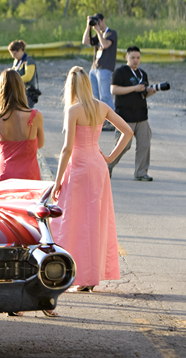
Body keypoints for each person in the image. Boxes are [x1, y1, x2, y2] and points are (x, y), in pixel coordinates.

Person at [50, 66, 133, 298]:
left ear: (71, 87)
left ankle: (74, 273)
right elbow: (127, 132)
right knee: (95, 221)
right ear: (88, 84)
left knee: (73, 221)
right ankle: (90, 276)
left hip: (79, 168)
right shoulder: (101, 106)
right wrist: (110, 158)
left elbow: (67, 149)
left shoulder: (73, 110)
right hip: (97, 166)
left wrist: (57, 180)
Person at [0, 69, 45, 183]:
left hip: (3, 175)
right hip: (28, 176)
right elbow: (40, 144)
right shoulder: (35, 116)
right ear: (21, 88)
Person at [109, 46, 157, 181]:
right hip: (124, 116)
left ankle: (141, 172)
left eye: (138, 58)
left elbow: (142, 94)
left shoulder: (142, 74)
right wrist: (134, 88)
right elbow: (114, 90)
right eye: (133, 57)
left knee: (144, 145)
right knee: (124, 145)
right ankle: (107, 165)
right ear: (126, 57)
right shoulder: (120, 72)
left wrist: (150, 92)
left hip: (141, 116)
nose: (135, 60)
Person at [82, 12, 118, 130]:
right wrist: (88, 26)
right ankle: (100, 120)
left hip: (105, 68)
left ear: (103, 20)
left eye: (98, 22)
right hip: (94, 68)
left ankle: (112, 122)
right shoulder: (98, 34)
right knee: (95, 97)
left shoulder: (111, 33)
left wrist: (98, 32)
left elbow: (105, 44)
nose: (96, 24)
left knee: (105, 96)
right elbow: (85, 41)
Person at [8, 40, 40, 109]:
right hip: (18, 93)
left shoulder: (29, 60)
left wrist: (13, 80)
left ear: (20, 50)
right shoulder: (16, 61)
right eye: (12, 54)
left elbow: (28, 77)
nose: (13, 56)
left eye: (14, 53)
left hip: (28, 94)